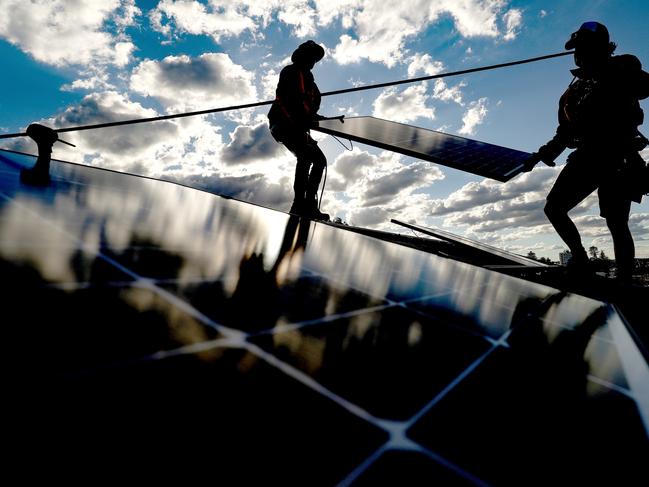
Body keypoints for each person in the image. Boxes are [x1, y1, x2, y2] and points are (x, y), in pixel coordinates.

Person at [525, 21, 649, 282]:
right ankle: (580, 259)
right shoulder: (574, 90)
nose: (577, 54)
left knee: (617, 223)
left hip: (619, 157)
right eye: (576, 49)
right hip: (588, 156)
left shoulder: (622, 69)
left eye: (582, 48)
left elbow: (643, 86)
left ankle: (624, 282)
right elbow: (564, 133)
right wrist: (541, 154)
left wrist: (607, 66)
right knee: (554, 208)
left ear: (603, 48)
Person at [268, 40, 330, 220]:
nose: (314, 62)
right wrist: (302, 119)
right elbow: (286, 100)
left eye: (316, 59)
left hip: (298, 126)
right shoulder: (290, 72)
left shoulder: (310, 79)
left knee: (319, 160)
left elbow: (310, 105)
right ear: (303, 56)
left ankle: (309, 204)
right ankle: (299, 204)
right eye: (312, 57)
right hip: (283, 124)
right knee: (306, 156)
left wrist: (315, 117)